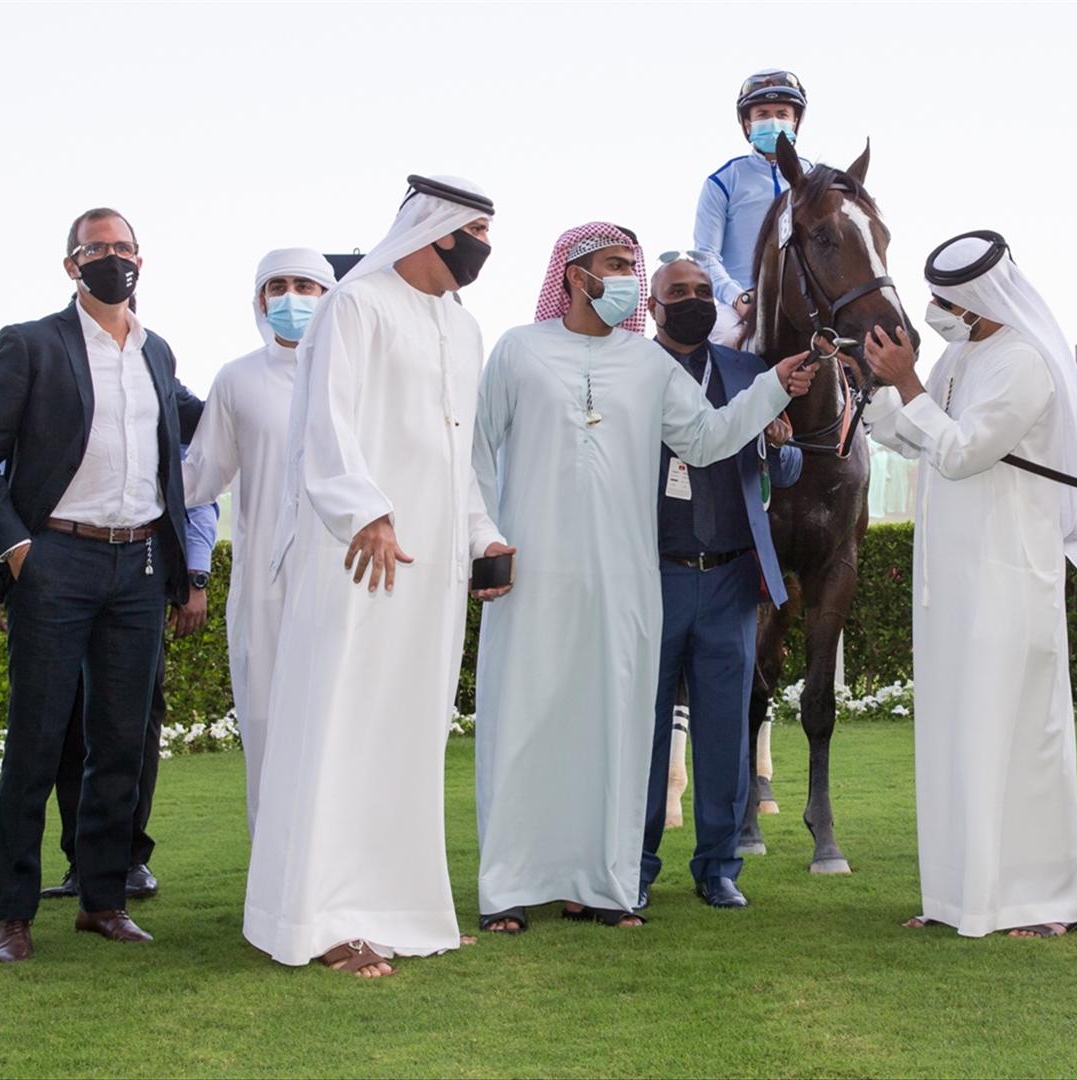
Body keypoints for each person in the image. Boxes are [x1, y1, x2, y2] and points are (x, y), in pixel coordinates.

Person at [470, 223, 813, 933]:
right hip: (532, 576)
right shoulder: (517, 351)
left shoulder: (647, 365)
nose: (626, 273)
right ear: (572, 274)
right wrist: (483, 539)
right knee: (525, 723)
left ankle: (600, 885)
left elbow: (710, 438)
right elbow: (473, 451)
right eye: (614, 264)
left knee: (616, 732)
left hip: (626, 580)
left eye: (632, 263)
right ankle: (507, 888)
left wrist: (774, 388)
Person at [242, 175, 504, 979]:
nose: (485, 249)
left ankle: (403, 909)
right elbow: (325, 424)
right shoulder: (353, 306)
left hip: (429, 571)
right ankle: (320, 920)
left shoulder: (462, 328)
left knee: (409, 734)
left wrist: (482, 538)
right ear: (436, 230)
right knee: (343, 729)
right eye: (478, 231)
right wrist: (366, 512)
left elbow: (458, 456)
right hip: (357, 555)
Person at [0, 207, 204, 963]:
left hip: (139, 569)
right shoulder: (31, 343)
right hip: (56, 561)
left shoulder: (157, 352)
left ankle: (102, 900)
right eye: (97, 249)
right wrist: (18, 549)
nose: (113, 259)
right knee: (36, 741)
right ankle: (14, 914)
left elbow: (207, 427)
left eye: (124, 248)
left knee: (121, 744)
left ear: (142, 261)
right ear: (72, 264)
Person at [860, 230, 1077, 940]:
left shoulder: (1024, 361)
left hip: (1006, 576)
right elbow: (918, 440)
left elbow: (966, 451)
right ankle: (959, 897)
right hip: (952, 583)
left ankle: (1040, 901)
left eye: (945, 298)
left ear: (976, 296)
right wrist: (876, 385)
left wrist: (909, 382)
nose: (936, 309)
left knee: (1015, 734)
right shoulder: (959, 355)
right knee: (955, 733)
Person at [639, 253, 802, 911]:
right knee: (643, 729)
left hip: (732, 575)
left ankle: (717, 867)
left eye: (703, 289)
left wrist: (780, 443)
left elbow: (785, 471)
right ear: (651, 306)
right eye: (677, 291)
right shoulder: (633, 373)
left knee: (724, 727)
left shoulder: (745, 371)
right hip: (652, 573)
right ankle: (636, 863)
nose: (694, 298)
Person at [0, 489, 218, 903]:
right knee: (62, 722)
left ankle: (126, 860)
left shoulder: (166, 418)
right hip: (54, 570)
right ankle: (80, 863)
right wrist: (1, 563)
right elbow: (10, 478)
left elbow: (191, 484)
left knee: (132, 725)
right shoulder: (44, 420)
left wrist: (195, 573)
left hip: (138, 572)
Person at [182, 248, 338, 833]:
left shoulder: (356, 374)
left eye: (305, 285)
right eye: (278, 286)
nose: (291, 298)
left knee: (337, 734)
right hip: (265, 589)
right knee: (271, 730)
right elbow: (200, 476)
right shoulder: (238, 378)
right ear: (259, 300)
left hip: (347, 581)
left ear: (329, 297)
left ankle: (338, 888)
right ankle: (273, 892)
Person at [694, 68, 812, 344]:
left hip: (807, 301)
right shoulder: (722, 181)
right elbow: (706, 255)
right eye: (762, 115)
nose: (773, 121)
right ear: (747, 124)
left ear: (795, 122)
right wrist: (739, 298)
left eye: (782, 114)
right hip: (738, 304)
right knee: (722, 336)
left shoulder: (815, 179)